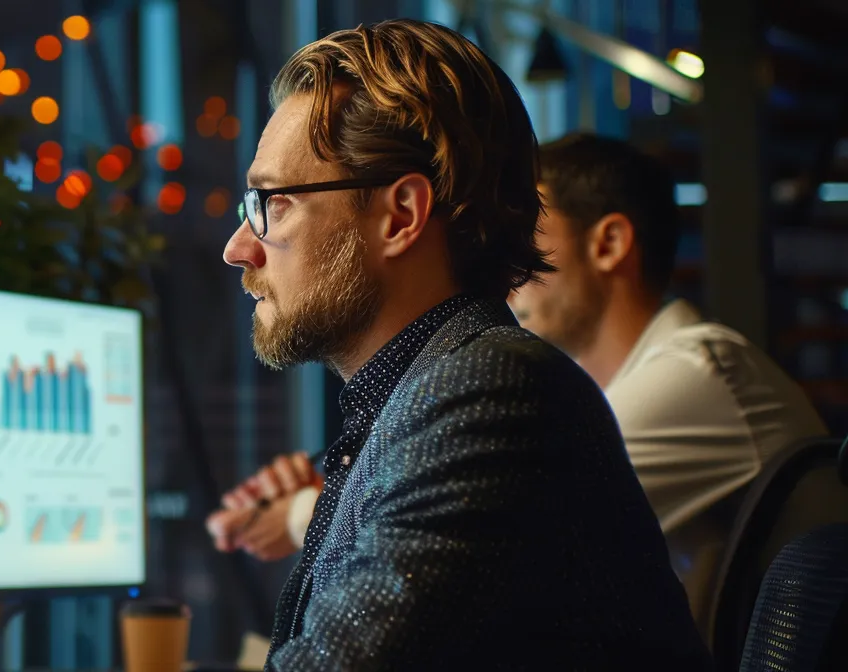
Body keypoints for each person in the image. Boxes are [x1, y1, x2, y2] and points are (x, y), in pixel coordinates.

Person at [0, 19, 707, 671]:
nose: (239, 245)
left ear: (399, 214)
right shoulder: (424, 392)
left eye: (271, 204)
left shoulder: (490, 394)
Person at [211, 133, 829, 628]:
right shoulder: (583, 385)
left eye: (527, 239)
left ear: (609, 243)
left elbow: (461, 499)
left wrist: (301, 510)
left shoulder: (698, 376)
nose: (508, 272)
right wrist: (339, 481)